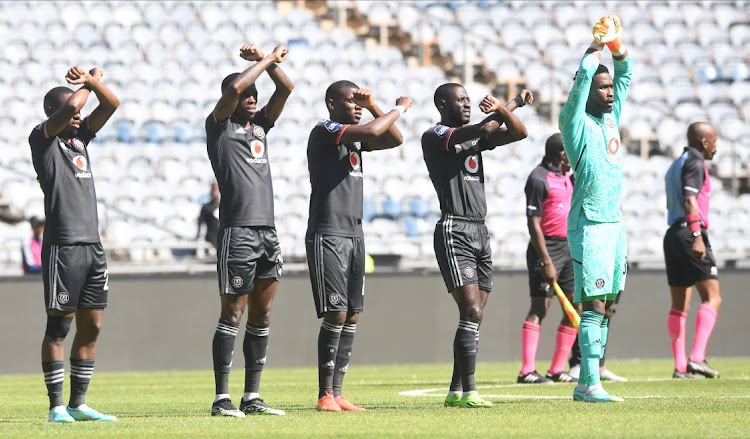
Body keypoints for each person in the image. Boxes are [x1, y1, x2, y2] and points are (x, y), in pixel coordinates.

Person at [422, 83, 531, 408]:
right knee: (472, 309)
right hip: (454, 228)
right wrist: (506, 104)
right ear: (443, 103)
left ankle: (456, 391)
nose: (468, 103)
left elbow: (519, 133)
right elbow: (485, 126)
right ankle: (469, 391)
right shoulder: (435, 135)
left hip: (480, 230)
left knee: (474, 314)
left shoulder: (475, 141)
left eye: (470, 99)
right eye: (462, 99)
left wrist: (509, 108)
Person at [306, 80, 412, 412]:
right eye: (351, 101)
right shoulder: (324, 130)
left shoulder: (356, 141)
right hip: (329, 232)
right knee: (336, 311)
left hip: (354, 234)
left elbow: (395, 138)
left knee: (351, 315)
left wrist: (375, 107)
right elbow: (375, 129)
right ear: (331, 104)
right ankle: (325, 394)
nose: (356, 105)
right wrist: (398, 108)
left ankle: (337, 393)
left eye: (358, 102)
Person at [206, 43, 293, 417]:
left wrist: (270, 65)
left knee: (263, 314)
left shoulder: (260, 128)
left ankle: (252, 396)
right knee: (233, 314)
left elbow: (286, 89)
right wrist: (263, 61)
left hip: (267, 232)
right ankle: (221, 398)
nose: (254, 99)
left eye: (257, 96)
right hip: (237, 231)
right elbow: (234, 90)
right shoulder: (219, 127)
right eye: (249, 95)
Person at [29, 66, 120, 422]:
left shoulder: (79, 139)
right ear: (53, 113)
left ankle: (77, 403)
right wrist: (84, 87)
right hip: (63, 246)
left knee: (92, 325)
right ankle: (55, 407)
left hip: (91, 247)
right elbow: (72, 108)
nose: (80, 116)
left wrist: (95, 82)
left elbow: (111, 104)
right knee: (58, 327)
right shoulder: (42, 139)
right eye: (73, 112)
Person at [558, 14, 632, 403]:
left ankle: (591, 379)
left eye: (609, 88)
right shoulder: (574, 122)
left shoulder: (611, 118)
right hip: (590, 223)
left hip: (615, 224)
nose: (608, 93)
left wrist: (615, 43)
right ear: (586, 90)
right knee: (593, 304)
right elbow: (586, 74)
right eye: (601, 88)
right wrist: (595, 45)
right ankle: (588, 383)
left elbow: (626, 72)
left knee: (606, 308)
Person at [518, 133, 579, 384]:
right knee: (540, 307)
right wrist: (546, 260)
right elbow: (533, 223)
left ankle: (556, 369)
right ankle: (527, 371)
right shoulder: (538, 178)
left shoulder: (567, 176)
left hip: (568, 248)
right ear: (560, 154)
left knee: (575, 307)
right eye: (569, 154)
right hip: (546, 248)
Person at [664, 121, 723, 379]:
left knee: (680, 303)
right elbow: (690, 200)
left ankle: (680, 367)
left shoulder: (675, 164)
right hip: (690, 231)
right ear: (703, 142)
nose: (716, 147)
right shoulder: (696, 162)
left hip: (673, 234)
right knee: (713, 297)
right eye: (714, 141)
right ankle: (697, 358)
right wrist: (697, 235)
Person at [197, 182, 220, 249]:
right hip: (210, 239)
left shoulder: (225, 207)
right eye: (214, 190)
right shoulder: (206, 207)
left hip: (222, 238)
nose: (215, 192)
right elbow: (200, 222)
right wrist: (199, 235)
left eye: (217, 190)